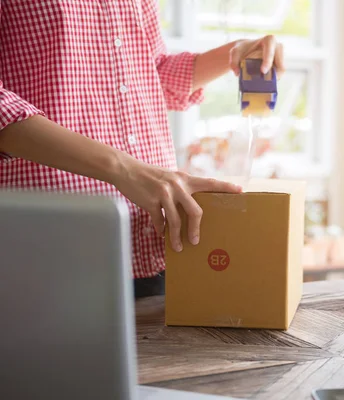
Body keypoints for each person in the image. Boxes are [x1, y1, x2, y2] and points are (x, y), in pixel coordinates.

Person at [0, 1, 284, 297]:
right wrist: (125, 170)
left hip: (154, 241)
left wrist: (232, 54)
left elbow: (149, 74)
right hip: (56, 247)